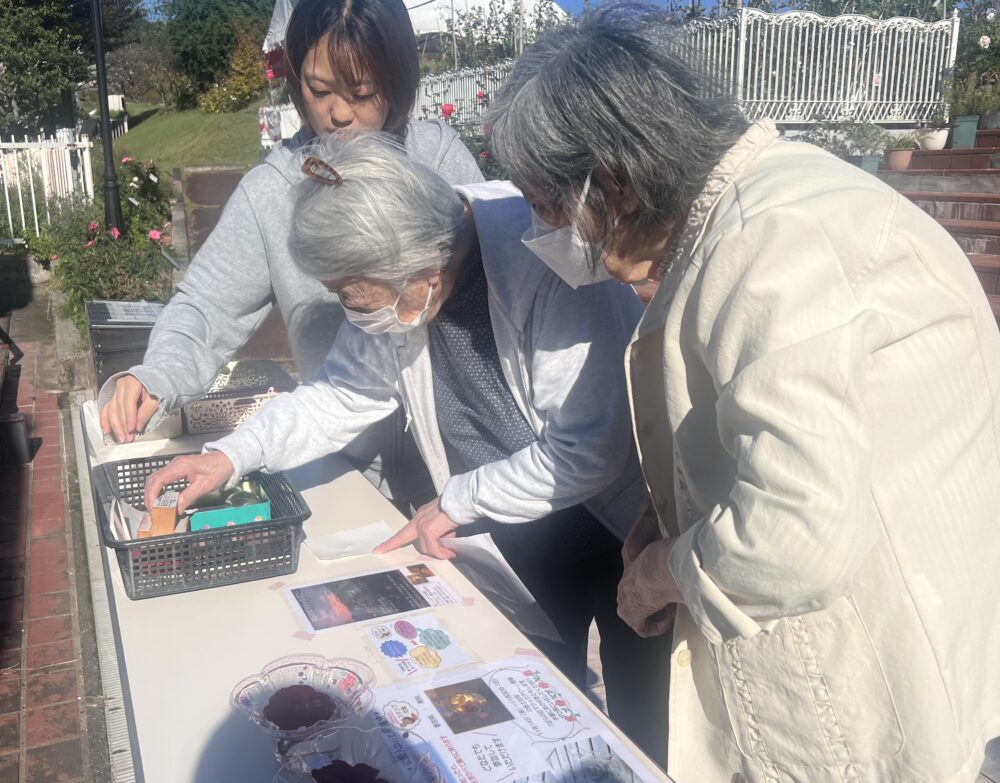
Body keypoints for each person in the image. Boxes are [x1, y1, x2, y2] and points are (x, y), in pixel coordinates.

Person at [485, 6, 1000, 783]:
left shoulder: (769, 240)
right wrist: (664, 513)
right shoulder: (745, 219)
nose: (541, 228)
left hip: (861, 689)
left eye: (549, 205)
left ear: (614, 182)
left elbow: (795, 532)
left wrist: (657, 570)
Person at [143, 132, 670, 765]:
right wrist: (231, 454)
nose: (353, 314)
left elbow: (591, 448)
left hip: (616, 526)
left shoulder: (542, 255)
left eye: (353, 296)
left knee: (646, 714)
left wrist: (457, 499)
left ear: (427, 265)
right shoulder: (399, 283)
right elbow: (342, 393)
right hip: (512, 536)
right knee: (537, 713)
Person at [98, 0, 482, 507]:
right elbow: (207, 305)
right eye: (318, 90)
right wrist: (157, 376)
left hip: (473, 462)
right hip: (347, 462)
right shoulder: (273, 190)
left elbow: (505, 288)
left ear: (399, 78)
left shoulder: (440, 160)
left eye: (363, 92)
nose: (339, 112)